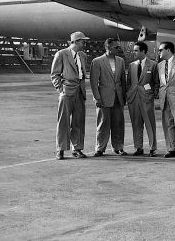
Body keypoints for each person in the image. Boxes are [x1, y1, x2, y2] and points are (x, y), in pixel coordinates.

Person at [50, 31, 90, 160]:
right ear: (76, 41)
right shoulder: (61, 54)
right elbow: (54, 74)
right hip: (67, 91)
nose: (85, 43)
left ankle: (77, 148)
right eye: (83, 41)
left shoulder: (83, 55)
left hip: (80, 91)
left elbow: (82, 73)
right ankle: (60, 149)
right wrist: (61, 89)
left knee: (79, 121)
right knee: (63, 121)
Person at [90, 38, 127, 156]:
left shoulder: (120, 61)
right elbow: (93, 82)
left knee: (118, 123)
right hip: (103, 98)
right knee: (103, 123)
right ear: (108, 48)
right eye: (116, 47)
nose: (118, 49)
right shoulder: (97, 61)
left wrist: (124, 97)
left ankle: (118, 147)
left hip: (118, 97)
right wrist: (97, 98)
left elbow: (123, 80)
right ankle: (100, 148)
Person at [126, 41, 159, 156]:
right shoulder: (132, 65)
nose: (134, 52)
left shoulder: (153, 65)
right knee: (136, 124)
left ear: (143, 51)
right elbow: (129, 82)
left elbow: (156, 82)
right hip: (134, 99)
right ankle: (138, 147)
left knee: (150, 123)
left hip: (147, 98)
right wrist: (129, 95)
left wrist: (153, 94)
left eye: (136, 50)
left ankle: (152, 148)